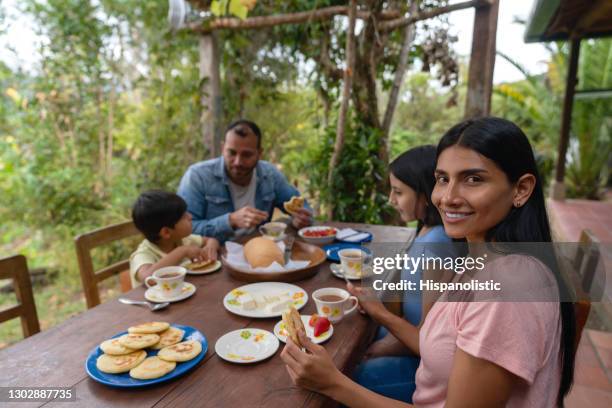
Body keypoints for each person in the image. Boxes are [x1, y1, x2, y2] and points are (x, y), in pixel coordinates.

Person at [280, 117, 575, 407]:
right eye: (442, 179)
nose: (448, 198)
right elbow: (438, 344)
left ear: (521, 189)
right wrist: (379, 313)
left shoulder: (506, 291)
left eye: (473, 179)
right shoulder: (481, 261)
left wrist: (333, 382)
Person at [352, 146, 452, 403]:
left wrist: (379, 344)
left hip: (423, 360)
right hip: (409, 336)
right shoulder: (426, 229)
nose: (391, 199)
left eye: (398, 192)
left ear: (426, 194)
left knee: (355, 372)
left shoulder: (438, 244)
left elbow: (427, 339)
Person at [177, 119, 312, 242]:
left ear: (259, 153)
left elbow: (301, 206)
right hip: (213, 257)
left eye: (246, 155)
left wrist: (300, 219)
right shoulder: (197, 176)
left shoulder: (270, 175)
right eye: (232, 153)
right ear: (223, 148)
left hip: (260, 250)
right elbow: (182, 230)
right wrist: (230, 220)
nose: (238, 162)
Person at [129, 190, 220, 287]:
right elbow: (148, 278)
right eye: (184, 216)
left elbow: (211, 240)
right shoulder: (144, 253)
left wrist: (210, 248)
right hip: (155, 300)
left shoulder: (184, 240)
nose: (190, 216)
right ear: (166, 232)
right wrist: (181, 251)